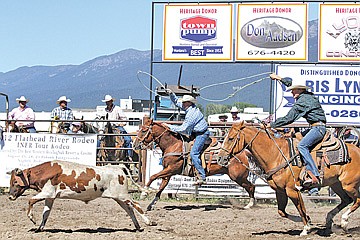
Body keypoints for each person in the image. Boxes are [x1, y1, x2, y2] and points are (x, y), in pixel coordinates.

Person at [265, 73, 327, 188]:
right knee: (294, 138)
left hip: (318, 128)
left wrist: (271, 124)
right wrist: (278, 78)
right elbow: (289, 82)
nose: (291, 92)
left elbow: (289, 118)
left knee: (302, 146)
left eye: (293, 90)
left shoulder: (303, 101)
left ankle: (313, 173)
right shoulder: (306, 96)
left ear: (300, 90)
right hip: (316, 127)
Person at [165, 90, 209, 185]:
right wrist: (171, 94)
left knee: (194, 153)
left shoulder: (191, 114)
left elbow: (184, 129)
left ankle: (202, 176)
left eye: (185, 102)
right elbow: (177, 102)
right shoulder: (189, 108)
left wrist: (169, 127)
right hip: (195, 133)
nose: (183, 103)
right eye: (183, 102)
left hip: (201, 134)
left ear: (189, 103)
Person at [101, 94, 132, 160]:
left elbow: (124, 119)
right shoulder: (104, 110)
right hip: (107, 127)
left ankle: (128, 155)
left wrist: (121, 124)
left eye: (109, 101)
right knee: (99, 140)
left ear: (112, 101)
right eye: (107, 102)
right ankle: (98, 156)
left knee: (127, 139)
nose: (107, 103)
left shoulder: (117, 109)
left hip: (117, 127)